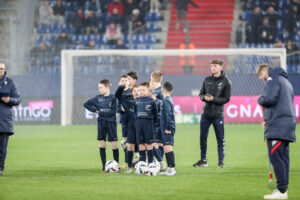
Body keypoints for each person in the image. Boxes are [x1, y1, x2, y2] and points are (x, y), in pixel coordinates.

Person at [256, 64, 296, 199]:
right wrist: (267, 118)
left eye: (261, 77)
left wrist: (259, 99)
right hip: (288, 123)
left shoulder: (272, 79)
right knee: (284, 158)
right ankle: (283, 190)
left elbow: (269, 99)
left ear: (263, 73)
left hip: (278, 125)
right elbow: (280, 102)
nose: (262, 80)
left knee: (276, 157)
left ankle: (281, 191)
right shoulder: (286, 81)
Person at [193, 59, 231, 168]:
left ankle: (221, 162)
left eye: (215, 66)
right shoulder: (206, 80)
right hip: (205, 114)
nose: (213, 68)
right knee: (203, 137)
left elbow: (227, 99)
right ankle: (203, 160)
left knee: (220, 139)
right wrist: (204, 98)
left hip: (218, 115)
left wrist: (213, 99)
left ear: (220, 67)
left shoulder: (226, 82)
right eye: (211, 66)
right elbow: (201, 94)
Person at [83, 79, 120, 173]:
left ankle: (117, 167)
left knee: (114, 145)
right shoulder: (98, 98)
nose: (99, 89)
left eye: (101, 87)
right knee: (102, 144)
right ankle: (104, 167)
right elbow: (86, 104)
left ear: (107, 88)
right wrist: (96, 111)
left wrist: (101, 112)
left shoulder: (113, 98)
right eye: (98, 87)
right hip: (101, 123)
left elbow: (113, 112)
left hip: (111, 123)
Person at [0, 63, 21, 176]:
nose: (0, 71)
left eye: (2, 69)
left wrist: (9, 100)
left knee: (2, 148)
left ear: (4, 70)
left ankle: (0, 168)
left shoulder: (10, 83)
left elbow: (18, 99)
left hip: (4, 121)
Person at [115, 72, 138, 169]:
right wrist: (121, 109)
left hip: (133, 119)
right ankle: (127, 162)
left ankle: (137, 159)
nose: (124, 82)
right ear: (119, 83)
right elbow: (117, 108)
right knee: (125, 141)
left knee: (135, 140)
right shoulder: (119, 93)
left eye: (126, 80)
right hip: (124, 120)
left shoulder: (133, 92)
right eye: (122, 80)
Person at [134, 82, 157, 164]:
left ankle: (151, 164)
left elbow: (155, 115)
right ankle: (142, 164)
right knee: (141, 144)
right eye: (140, 90)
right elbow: (135, 113)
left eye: (143, 90)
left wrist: (153, 125)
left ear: (148, 90)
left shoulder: (151, 101)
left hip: (148, 124)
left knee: (149, 144)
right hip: (139, 124)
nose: (141, 91)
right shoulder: (136, 101)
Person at [159, 82, 176, 176]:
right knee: (166, 147)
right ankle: (169, 167)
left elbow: (168, 115)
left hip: (167, 128)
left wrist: (168, 128)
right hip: (166, 127)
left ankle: (172, 169)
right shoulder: (168, 99)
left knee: (168, 147)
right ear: (171, 91)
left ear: (162, 90)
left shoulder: (166, 101)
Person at [122, 84, 140, 173]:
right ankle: (129, 167)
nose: (136, 92)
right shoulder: (128, 102)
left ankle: (144, 165)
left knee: (144, 147)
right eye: (134, 91)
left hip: (142, 127)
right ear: (131, 93)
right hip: (132, 127)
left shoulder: (145, 101)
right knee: (130, 147)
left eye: (138, 90)